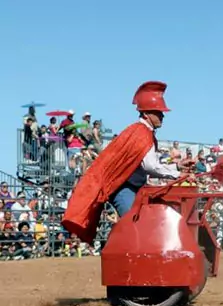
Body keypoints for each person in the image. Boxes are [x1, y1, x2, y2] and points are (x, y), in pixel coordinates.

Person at [61, 81, 190, 243]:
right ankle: (118, 251)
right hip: (123, 188)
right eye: (159, 112)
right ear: (146, 114)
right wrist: (177, 173)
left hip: (131, 187)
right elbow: (150, 166)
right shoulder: (142, 134)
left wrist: (177, 166)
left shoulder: (139, 132)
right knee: (134, 223)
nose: (162, 116)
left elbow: (149, 163)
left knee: (140, 223)